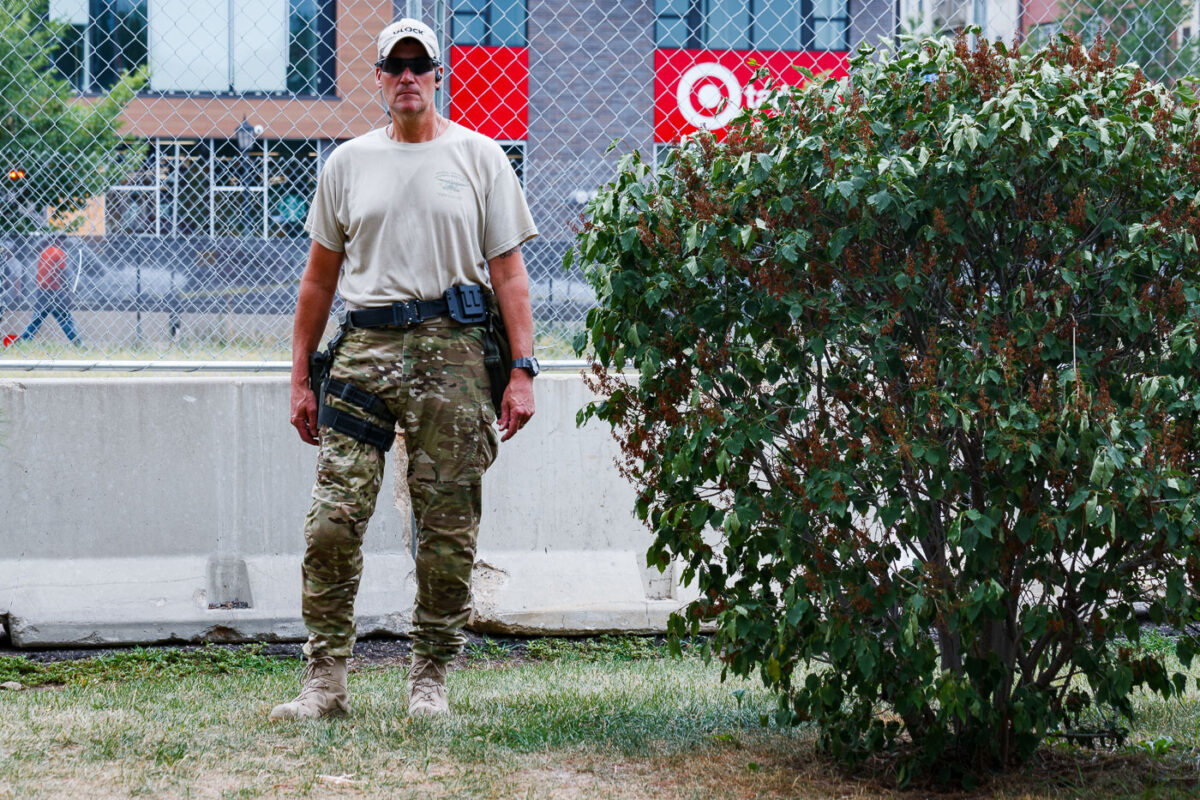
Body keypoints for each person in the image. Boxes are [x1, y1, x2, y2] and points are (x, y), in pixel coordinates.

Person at [270, 18, 539, 722]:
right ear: (381, 77)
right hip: (363, 354)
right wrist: (300, 378)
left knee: (448, 525)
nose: (409, 76)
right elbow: (316, 285)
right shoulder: (347, 164)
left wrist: (523, 371)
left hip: (454, 355)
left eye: (421, 64)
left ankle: (430, 680)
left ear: (437, 74)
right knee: (334, 519)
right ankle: (324, 681)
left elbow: (510, 277)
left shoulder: (480, 158)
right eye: (397, 65)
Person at [17, 234, 80, 345]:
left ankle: (24, 340)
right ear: (57, 241)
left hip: (42, 290)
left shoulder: (44, 252)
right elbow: (61, 274)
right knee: (65, 318)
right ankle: (77, 342)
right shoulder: (59, 254)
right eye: (62, 241)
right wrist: (68, 292)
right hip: (55, 291)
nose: (64, 244)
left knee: (37, 318)